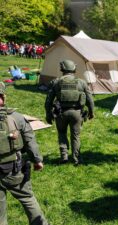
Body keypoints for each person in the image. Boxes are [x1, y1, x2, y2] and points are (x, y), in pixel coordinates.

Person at [0, 82, 48, 225]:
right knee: (27, 198)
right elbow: (30, 141)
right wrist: (38, 160)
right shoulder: (17, 117)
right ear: (3, 97)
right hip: (13, 170)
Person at [45, 59, 94, 165]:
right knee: (75, 136)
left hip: (61, 113)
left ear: (62, 68)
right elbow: (90, 99)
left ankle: (64, 156)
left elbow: (48, 101)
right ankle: (77, 158)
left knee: (62, 134)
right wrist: (91, 112)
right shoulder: (81, 82)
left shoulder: (56, 82)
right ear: (74, 68)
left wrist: (48, 114)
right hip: (77, 113)